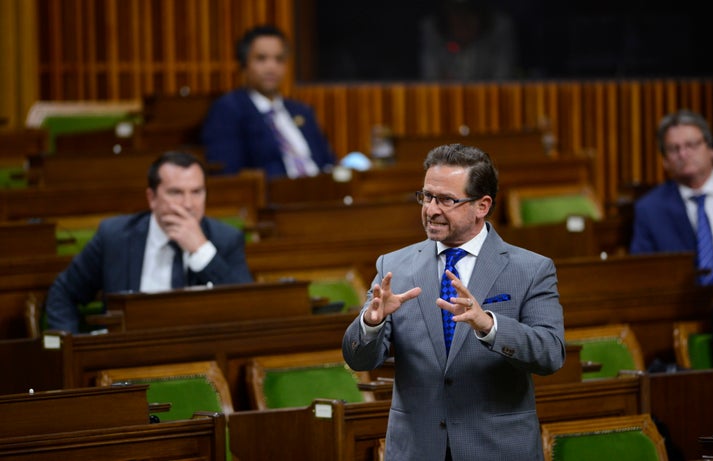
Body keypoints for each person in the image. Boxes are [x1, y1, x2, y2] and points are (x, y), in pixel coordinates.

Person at [342, 143, 565, 460]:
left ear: (482, 206)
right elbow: (358, 361)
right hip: (418, 449)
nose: (431, 209)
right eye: (427, 196)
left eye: (447, 200)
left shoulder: (531, 269)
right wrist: (371, 324)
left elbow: (550, 354)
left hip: (497, 449)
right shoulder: (394, 268)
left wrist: (488, 326)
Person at [45, 151, 254, 333]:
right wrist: (72, 347)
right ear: (151, 198)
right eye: (176, 192)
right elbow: (63, 293)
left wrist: (201, 251)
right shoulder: (115, 237)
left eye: (197, 192)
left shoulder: (225, 239)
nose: (189, 204)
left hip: (200, 362)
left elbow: (248, 308)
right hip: (129, 359)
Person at [629, 109, 713, 366]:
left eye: (691, 145)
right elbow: (643, 272)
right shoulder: (650, 209)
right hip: (681, 315)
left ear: (711, 149)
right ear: (665, 161)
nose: (683, 154)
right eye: (674, 149)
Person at [201, 24, 336, 178]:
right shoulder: (228, 110)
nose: (271, 67)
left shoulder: (301, 111)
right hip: (273, 197)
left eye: (279, 59)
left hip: (322, 193)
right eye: (261, 58)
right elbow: (228, 173)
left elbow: (328, 162)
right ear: (244, 65)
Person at [418, 0, 518, 81]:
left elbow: (502, 80)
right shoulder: (433, 28)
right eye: (456, 11)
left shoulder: (499, 28)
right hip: (447, 99)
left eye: (466, 12)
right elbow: (431, 78)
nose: (461, 19)